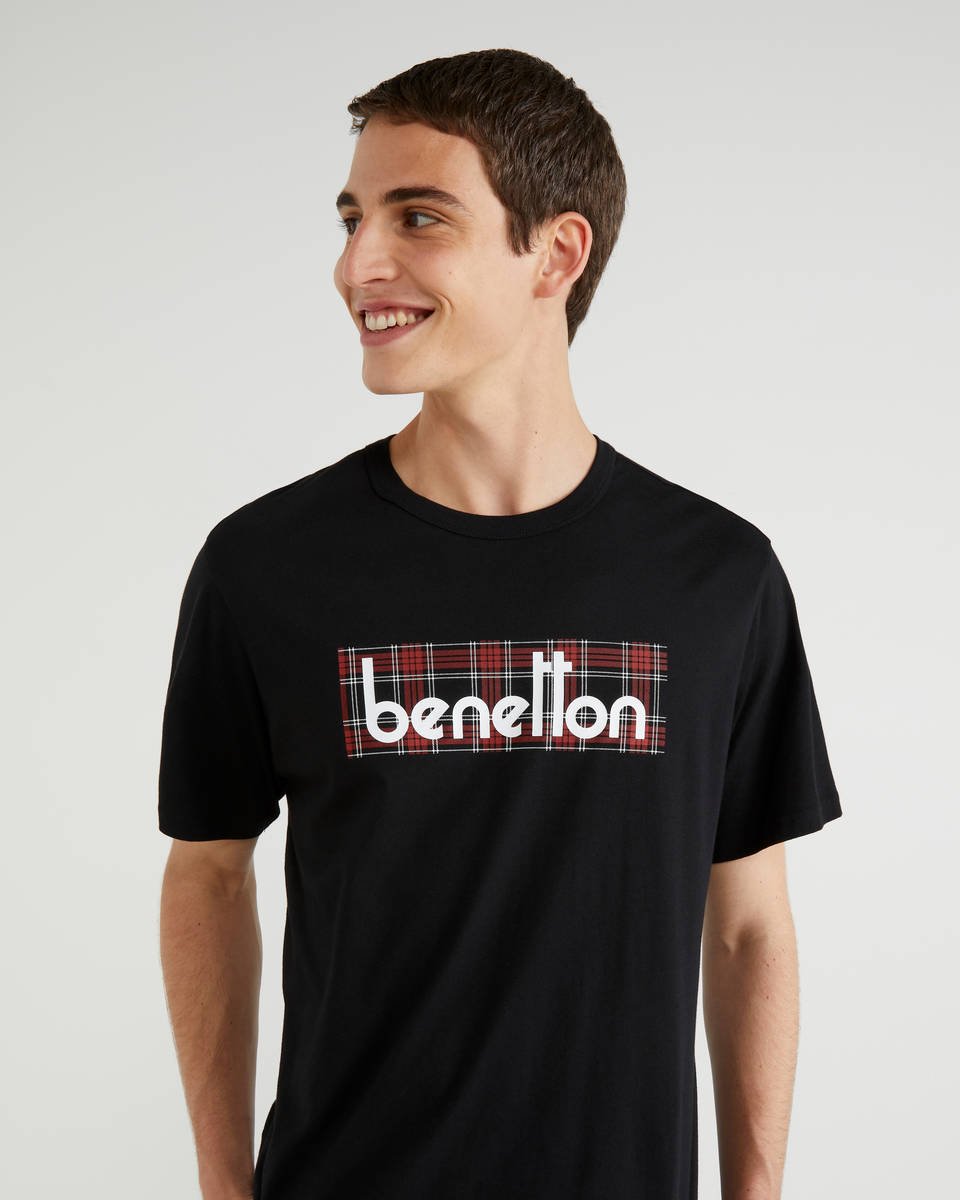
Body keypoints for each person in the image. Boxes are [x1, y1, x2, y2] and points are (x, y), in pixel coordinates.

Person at [158, 47, 842, 1200]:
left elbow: (748, 929)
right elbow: (208, 876)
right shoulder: (265, 567)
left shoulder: (716, 578)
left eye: (417, 217)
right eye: (352, 218)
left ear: (556, 254)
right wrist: (227, 1189)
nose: (357, 264)